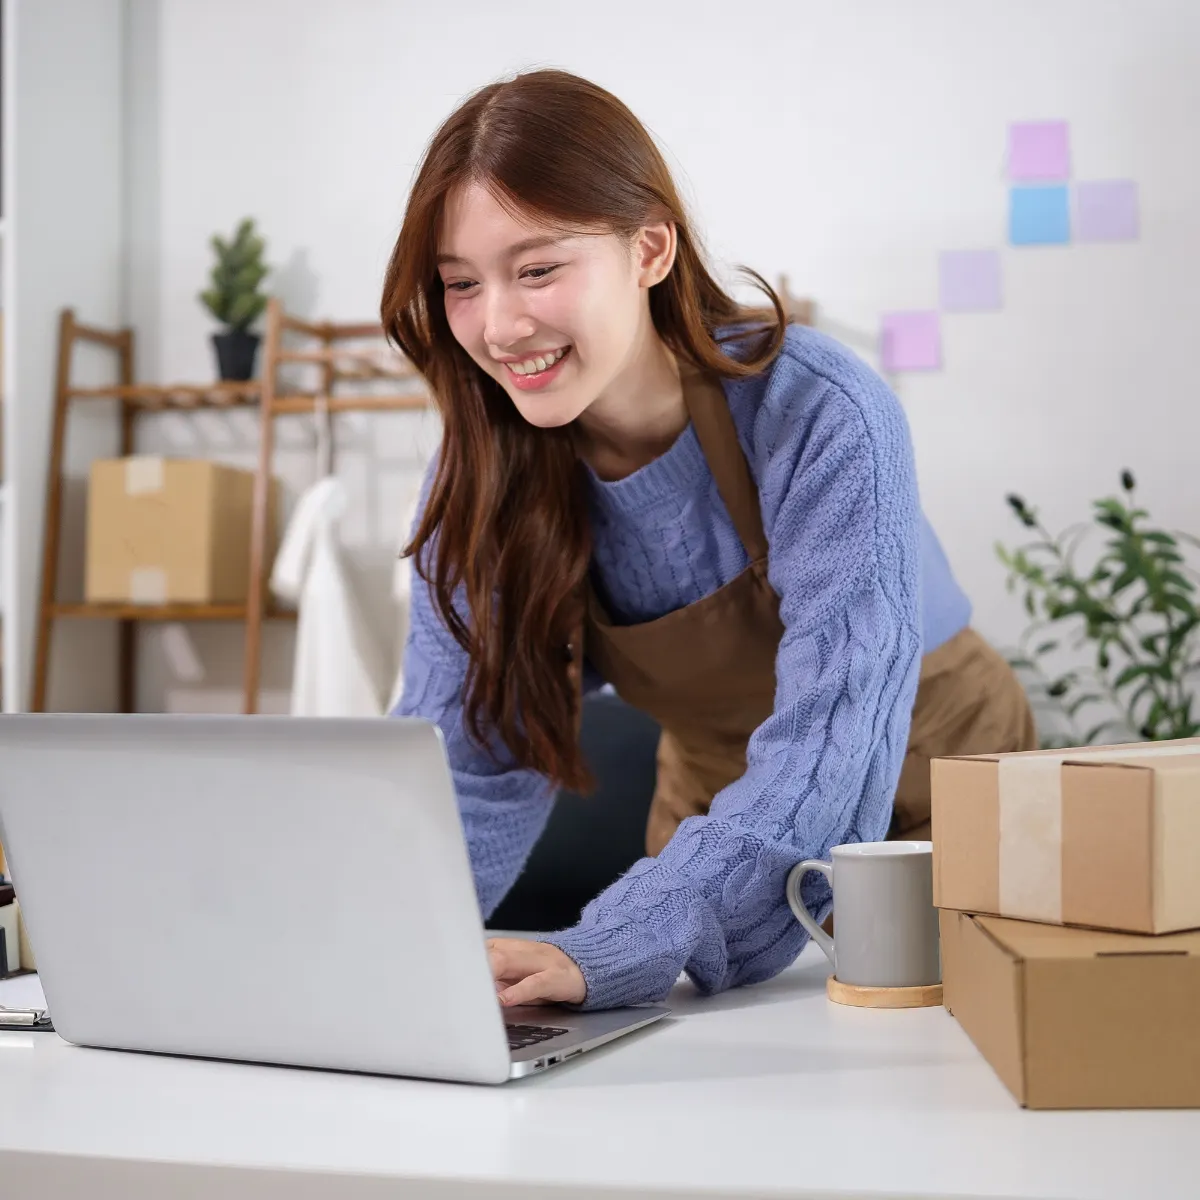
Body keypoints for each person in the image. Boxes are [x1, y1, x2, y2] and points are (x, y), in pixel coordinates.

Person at [381, 69, 1036, 1013]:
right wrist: (381, 944)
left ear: (649, 249)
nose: (499, 324)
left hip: (939, 770)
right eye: (459, 284)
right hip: (716, 808)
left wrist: (623, 938)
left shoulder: (817, 411)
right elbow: (470, 763)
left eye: (537, 269)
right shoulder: (483, 473)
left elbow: (836, 734)